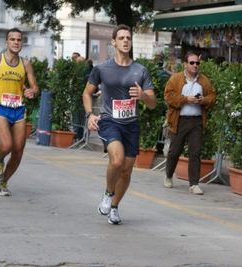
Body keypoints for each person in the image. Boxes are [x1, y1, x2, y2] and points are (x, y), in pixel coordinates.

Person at [83, 24, 156, 225]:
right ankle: (108, 193)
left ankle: (114, 207)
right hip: (109, 121)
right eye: (122, 38)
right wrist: (90, 114)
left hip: (131, 125)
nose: (126, 41)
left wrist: (142, 96)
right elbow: (87, 93)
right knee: (117, 161)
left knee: (126, 170)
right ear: (114, 42)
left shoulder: (140, 70)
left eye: (128, 38)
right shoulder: (101, 69)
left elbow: (152, 103)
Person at [0, 28, 39, 196]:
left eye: (19, 40)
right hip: (0, 108)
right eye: (12, 39)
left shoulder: (25, 64)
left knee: (18, 151)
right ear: (6, 42)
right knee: (6, 145)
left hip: (19, 110)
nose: (16, 42)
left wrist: (33, 92)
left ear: (22, 43)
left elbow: (35, 86)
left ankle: (3, 183)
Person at [163, 51, 216, 195]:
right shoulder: (176, 79)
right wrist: (186, 99)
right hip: (179, 120)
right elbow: (168, 95)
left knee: (195, 153)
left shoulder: (204, 80)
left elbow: (212, 95)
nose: (195, 65)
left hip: (197, 121)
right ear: (185, 64)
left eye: (197, 63)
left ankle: (194, 184)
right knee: (174, 151)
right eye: (192, 63)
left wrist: (204, 100)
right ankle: (168, 176)